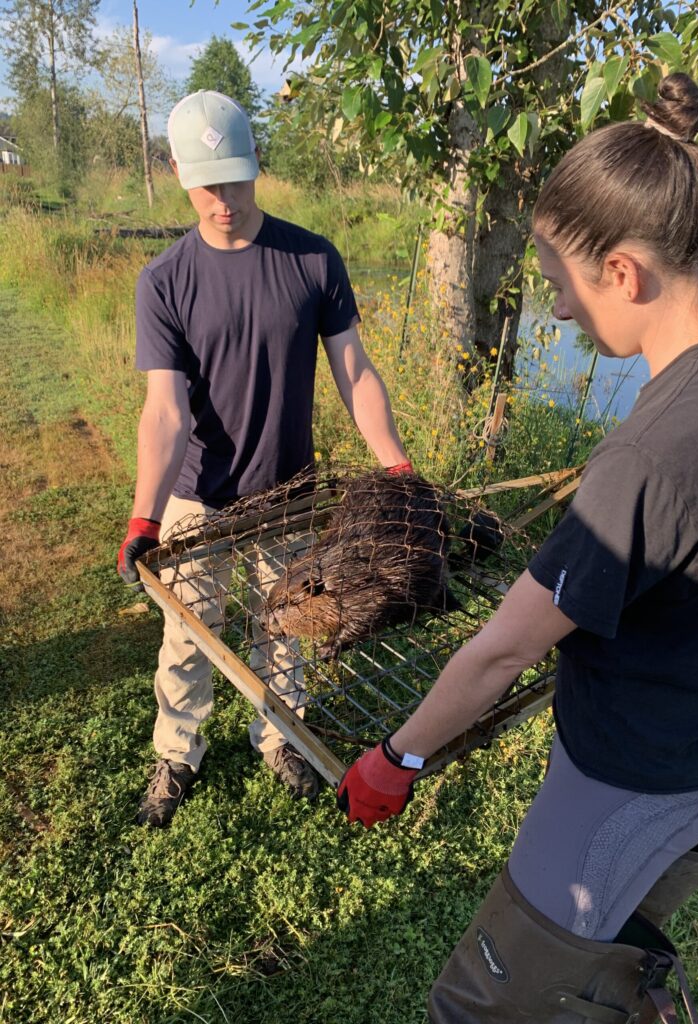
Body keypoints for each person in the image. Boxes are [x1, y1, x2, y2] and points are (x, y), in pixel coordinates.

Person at [337, 73, 698, 1022]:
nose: (559, 314)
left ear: (623, 272)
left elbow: (503, 648)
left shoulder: (651, 454)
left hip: (625, 780)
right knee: (605, 960)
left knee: (482, 1004)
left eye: (559, 286)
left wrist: (397, 759)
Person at [117, 90, 412, 828]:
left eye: (238, 179)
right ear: (180, 172)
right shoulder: (165, 281)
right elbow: (165, 410)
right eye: (209, 183)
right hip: (201, 499)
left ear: (257, 166)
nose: (225, 199)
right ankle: (178, 752)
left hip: (291, 492)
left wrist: (398, 469)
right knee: (189, 633)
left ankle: (280, 736)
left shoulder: (311, 258)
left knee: (290, 626)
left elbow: (355, 371)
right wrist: (145, 516)